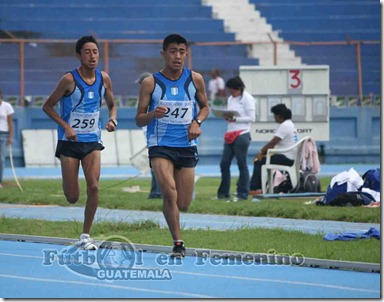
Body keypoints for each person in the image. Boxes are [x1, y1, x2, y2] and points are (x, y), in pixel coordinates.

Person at [135, 34, 209, 258]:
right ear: (163, 54)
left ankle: (173, 217)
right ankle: (178, 243)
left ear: (186, 53)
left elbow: (205, 107)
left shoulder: (195, 79)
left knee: (183, 203)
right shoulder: (151, 83)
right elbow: (139, 118)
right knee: (169, 192)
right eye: (173, 51)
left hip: (186, 145)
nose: (178, 56)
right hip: (161, 145)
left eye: (182, 51)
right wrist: (151, 114)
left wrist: (197, 122)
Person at [42, 36, 117, 250]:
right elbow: (47, 106)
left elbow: (112, 105)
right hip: (69, 143)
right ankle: (69, 184)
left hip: (92, 141)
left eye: (95, 51)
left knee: (94, 187)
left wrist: (112, 119)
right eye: (87, 52)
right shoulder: (68, 79)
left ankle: (86, 235)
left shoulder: (104, 79)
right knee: (72, 196)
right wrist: (66, 126)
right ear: (78, 55)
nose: (92, 56)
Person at [216, 76, 256, 202]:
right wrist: (227, 116)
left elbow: (252, 118)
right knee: (224, 163)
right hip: (230, 132)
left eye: (232, 90)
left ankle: (243, 193)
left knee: (241, 164)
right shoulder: (230, 99)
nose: (231, 93)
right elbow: (230, 113)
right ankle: (223, 193)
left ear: (239, 88)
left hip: (242, 133)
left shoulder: (248, 99)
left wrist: (236, 119)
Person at [250, 103, 299, 195]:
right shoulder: (290, 124)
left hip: (286, 158)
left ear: (279, 116)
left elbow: (272, 143)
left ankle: (255, 188)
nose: (274, 118)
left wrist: (261, 152)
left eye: (275, 115)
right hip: (289, 156)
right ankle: (262, 187)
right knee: (264, 159)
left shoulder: (285, 126)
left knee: (259, 161)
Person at [135, 72, 162, 199]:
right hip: (152, 137)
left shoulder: (154, 99)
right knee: (154, 167)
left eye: (141, 84)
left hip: (157, 137)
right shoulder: (145, 99)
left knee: (157, 167)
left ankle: (157, 193)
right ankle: (156, 192)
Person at [0, 90, 14, 188]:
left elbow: (10, 123)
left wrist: (10, 137)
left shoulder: (7, 106)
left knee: (1, 159)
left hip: (3, 134)